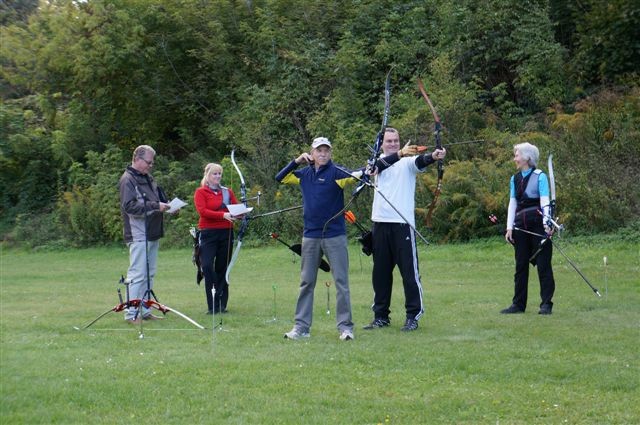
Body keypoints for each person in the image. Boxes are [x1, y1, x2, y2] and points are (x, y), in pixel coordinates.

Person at [275, 137, 359, 341]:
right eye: (318, 151)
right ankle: (301, 327)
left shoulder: (337, 172)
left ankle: (345, 328)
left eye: (326, 151)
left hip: (334, 235)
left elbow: (356, 176)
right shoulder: (303, 174)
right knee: (306, 282)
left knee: (341, 282)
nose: (322, 154)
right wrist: (296, 161)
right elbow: (280, 178)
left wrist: (367, 170)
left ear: (330, 153)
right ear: (311, 153)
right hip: (310, 235)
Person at [363, 127, 446, 332]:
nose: (393, 144)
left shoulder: (408, 162)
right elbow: (373, 169)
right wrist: (398, 154)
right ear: (381, 144)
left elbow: (421, 161)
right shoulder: (375, 163)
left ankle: (413, 316)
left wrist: (434, 156)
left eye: (396, 141)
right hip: (380, 224)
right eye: (389, 141)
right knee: (380, 274)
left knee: (409, 274)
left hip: (402, 226)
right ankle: (381, 316)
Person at [119, 145, 170, 324]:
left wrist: (168, 205)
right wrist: (156, 206)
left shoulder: (148, 178)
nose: (150, 165)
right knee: (137, 274)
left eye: (152, 162)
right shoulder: (128, 180)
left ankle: (145, 310)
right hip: (138, 233)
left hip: (152, 231)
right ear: (137, 159)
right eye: (148, 162)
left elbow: (157, 199)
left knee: (149, 274)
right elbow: (130, 207)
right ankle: (131, 314)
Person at [502, 142, 556, 315]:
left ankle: (546, 304)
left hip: (539, 226)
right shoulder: (514, 178)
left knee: (543, 265)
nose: (515, 158)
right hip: (520, 227)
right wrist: (509, 227)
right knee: (520, 266)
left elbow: (545, 201)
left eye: (517, 155)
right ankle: (518, 305)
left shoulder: (540, 176)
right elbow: (513, 203)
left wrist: (547, 225)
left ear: (527, 158)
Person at [193, 163, 239, 314]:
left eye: (219, 174)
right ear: (207, 175)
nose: (218, 176)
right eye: (215, 174)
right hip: (208, 233)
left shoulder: (227, 192)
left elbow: (236, 207)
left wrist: (241, 213)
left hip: (226, 233)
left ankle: (221, 304)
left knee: (222, 267)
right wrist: (223, 215)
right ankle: (212, 304)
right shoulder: (201, 192)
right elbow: (203, 211)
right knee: (206, 266)